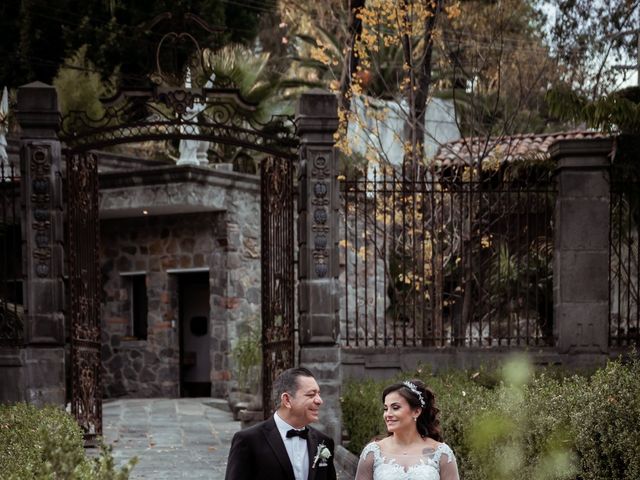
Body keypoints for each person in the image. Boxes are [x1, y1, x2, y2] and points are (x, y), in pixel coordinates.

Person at [225, 367, 337, 480]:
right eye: (311, 395)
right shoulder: (248, 441)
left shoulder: (324, 442)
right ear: (287, 400)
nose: (319, 400)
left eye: (318, 394)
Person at [355, 379, 459, 480]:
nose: (388, 414)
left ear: (416, 411)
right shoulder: (373, 453)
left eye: (395, 408)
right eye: (386, 409)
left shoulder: (441, 453)